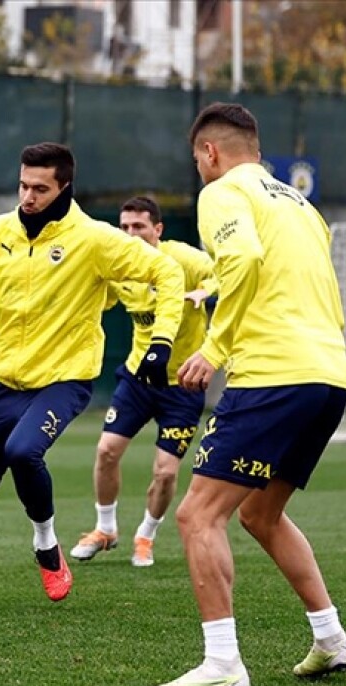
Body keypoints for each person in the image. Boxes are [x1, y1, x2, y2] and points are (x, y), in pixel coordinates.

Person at [0, 143, 185, 606]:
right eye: (23, 185)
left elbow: (167, 273)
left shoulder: (94, 239)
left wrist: (162, 341)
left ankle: (47, 546)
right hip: (6, 380)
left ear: (64, 187)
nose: (28, 196)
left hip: (64, 379)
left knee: (22, 450)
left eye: (40, 188)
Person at [152, 103, 346, 686]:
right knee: (260, 513)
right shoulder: (301, 205)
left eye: (197, 160)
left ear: (210, 152)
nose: (199, 170)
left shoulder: (222, 192)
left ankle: (222, 664)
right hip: (328, 375)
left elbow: (242, 257)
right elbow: (291, 276)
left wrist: (214, 348)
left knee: (197, 514)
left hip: (273, 374)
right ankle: (331, 639)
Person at [71, 196, 217, 568]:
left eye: (139, 226)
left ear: (158, 229)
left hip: (183, 384)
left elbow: (225, 272)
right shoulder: (121, 266)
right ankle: (105, 529)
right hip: (138, 378)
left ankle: (146, 536)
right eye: (124, 227)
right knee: (106, 451)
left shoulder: (182, 259)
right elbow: (98, 293)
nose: (130, 234)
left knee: (165, 472)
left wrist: (205, 291)